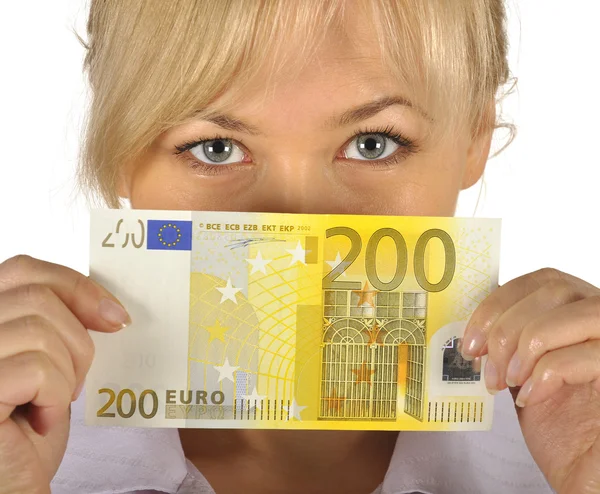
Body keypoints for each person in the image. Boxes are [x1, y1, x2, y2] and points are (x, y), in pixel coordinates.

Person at [0, 0, 598, 493]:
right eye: (215, 148)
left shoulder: (568, 443)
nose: (296, 222)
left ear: (475, 139)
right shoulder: (22, 444)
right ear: (119, 157)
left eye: (372, 143)